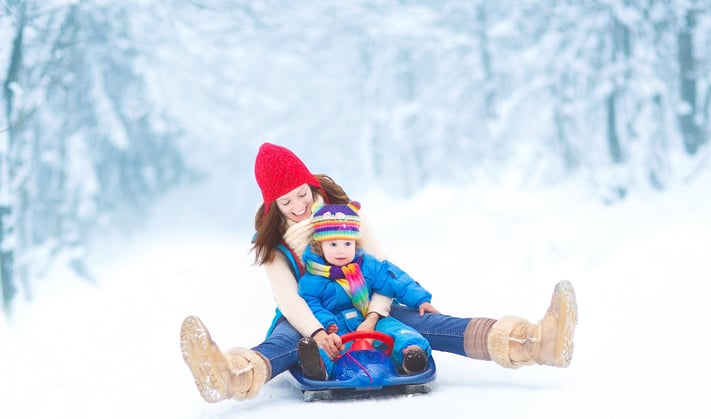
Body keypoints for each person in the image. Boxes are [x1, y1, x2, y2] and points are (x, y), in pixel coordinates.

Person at [180, 142, 578, 403]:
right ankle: (229, 375)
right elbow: (289, 298)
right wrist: (318, 331)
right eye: (287, 202)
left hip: (368, 302)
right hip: (310, 315)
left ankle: (533, 342)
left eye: (302, 193)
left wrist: (376, 312)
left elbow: (381, 269)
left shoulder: (349, 215)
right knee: (285, 345)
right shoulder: (273, 246)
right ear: (273, 205)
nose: (299, 205)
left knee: (435, 323)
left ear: (309, 183)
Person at [296, 200, 436, 380]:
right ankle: (318, 367)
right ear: (319, 246)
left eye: (347, 244)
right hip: (337, 328)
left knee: (396, 330)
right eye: (333, 245)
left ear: (356, 244)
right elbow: (310, 304)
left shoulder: (366, 266)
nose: (341, 251)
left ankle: (411, 355)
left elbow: (393, 278)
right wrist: (326, 322)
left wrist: (420, 299)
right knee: (328, 347)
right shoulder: (312, 279)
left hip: (369, 319)